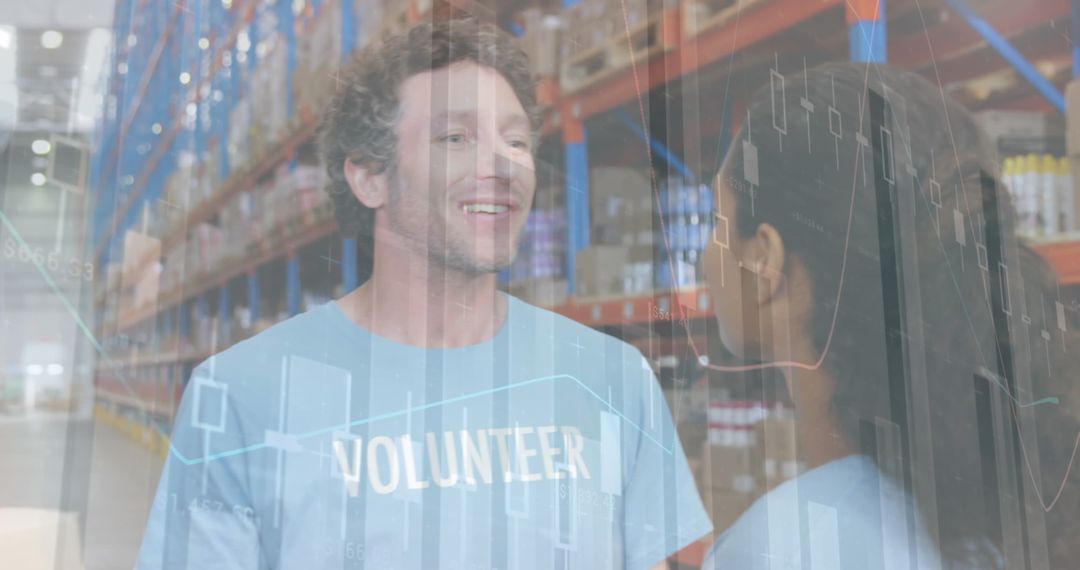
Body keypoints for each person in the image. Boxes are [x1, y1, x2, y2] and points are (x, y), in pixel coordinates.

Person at [135, 19, 711, 570]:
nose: (503, 166)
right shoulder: (240, 396)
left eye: (515, 140)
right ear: (369, 177)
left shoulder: (613, 379)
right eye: (455, 137)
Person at [699, 62, 1079, 569]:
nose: (705, 255)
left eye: (717, 219)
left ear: (765, 259)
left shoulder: (779, 549)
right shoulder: (1021, 507)